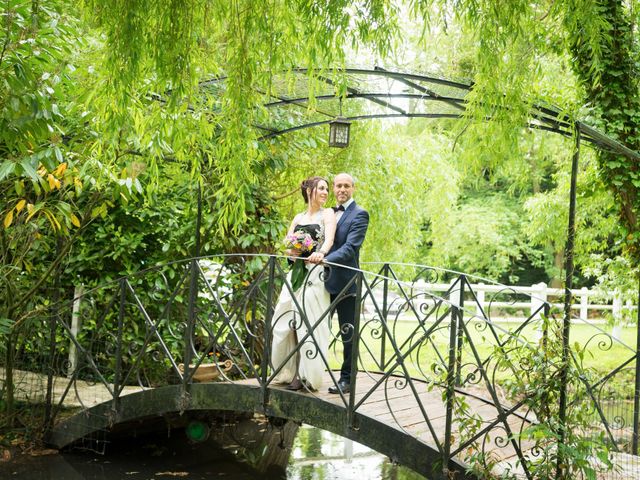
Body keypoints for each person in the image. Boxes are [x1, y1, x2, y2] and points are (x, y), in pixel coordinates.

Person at [270, 176, 337, 391]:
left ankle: (304, 375)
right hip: (296, 273)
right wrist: (293, 250)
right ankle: (286, 370)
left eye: (327, 189)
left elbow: (329, 239)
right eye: (322, 188)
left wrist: (320, 253)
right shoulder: (298, 217)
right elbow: (288, 246)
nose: (326, 192)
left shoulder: (328, 214)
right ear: (310, 191)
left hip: (314, 273)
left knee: (307, 323)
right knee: (283, 321)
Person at [309, 173, 369, 394]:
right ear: (333, 189)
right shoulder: (328, 213)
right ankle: (309, 373)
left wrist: (322, 259)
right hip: (321, 283)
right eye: (338, 186)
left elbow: (350, 248)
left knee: (348, 334)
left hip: (345, 284)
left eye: (346, 186)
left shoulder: (360, 214)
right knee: (315, 329)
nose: (342, 189)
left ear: (353, 188)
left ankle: (347, 380)